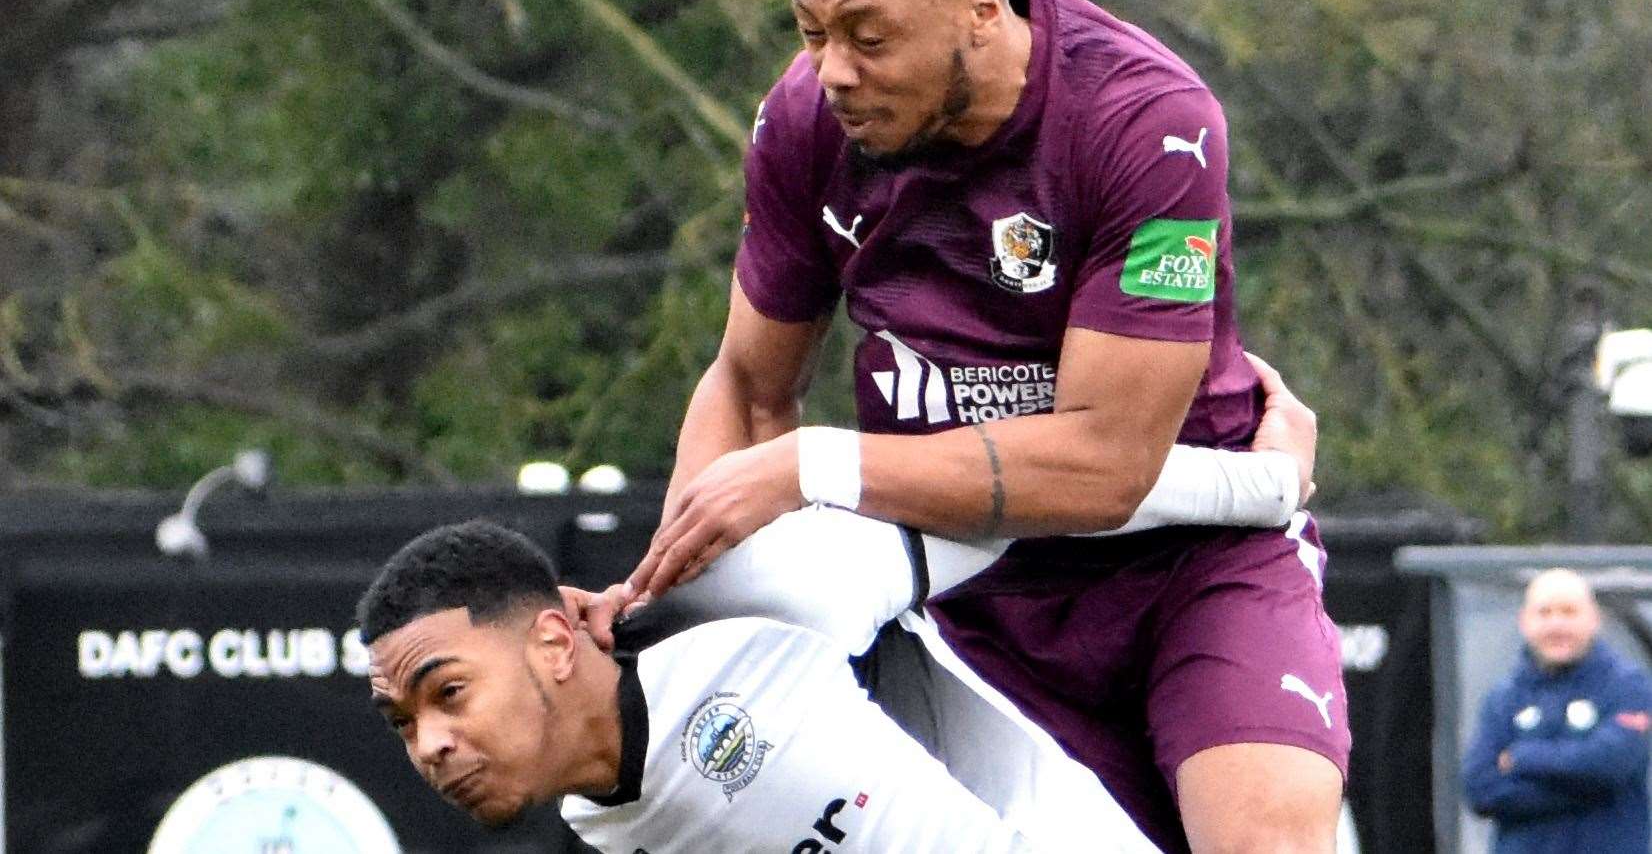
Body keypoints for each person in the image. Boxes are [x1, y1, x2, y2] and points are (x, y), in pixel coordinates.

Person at [604, 0, 1345, 852]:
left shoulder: (1147, 123)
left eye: (867, 34)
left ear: (980, 9)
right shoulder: (805, 121)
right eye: (810, 31)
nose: (833, 70)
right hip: (967, 587)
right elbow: (748, 386)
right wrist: (676, 592)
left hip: (1193, 564)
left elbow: (1104, 463)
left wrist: (817, 466)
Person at [363, 362, 1318, 853]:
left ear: (553, 638)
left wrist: (1257, 486)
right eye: (405, 723)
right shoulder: (598, 815)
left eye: (448, 691)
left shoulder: (740, 600)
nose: (431, 742)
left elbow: (1025, 502)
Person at [1461, 568, 1652, 853]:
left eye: (1569, 612)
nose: (1556, 624)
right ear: (1525, 622)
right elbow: (1480, 788)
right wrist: (1586, 788)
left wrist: (1522, 757)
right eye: (1545, 613)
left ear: (1594, 620)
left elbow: (1611, 764)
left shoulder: (1628, 686)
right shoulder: (1504, 697)